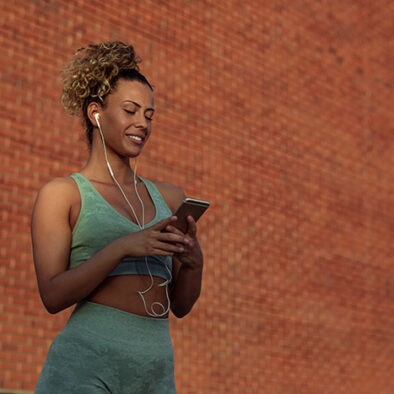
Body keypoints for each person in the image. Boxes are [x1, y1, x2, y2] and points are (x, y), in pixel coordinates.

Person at [31, 41, 204, 393]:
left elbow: (181, 306)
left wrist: (194, 264)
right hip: (85, 366)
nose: (142, 123)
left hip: (154, 370)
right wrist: (123, 246)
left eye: (149, 115)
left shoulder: (169, 198)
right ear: (96, 113)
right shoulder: (63, 194)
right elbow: (52, 296)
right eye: (130, 110)